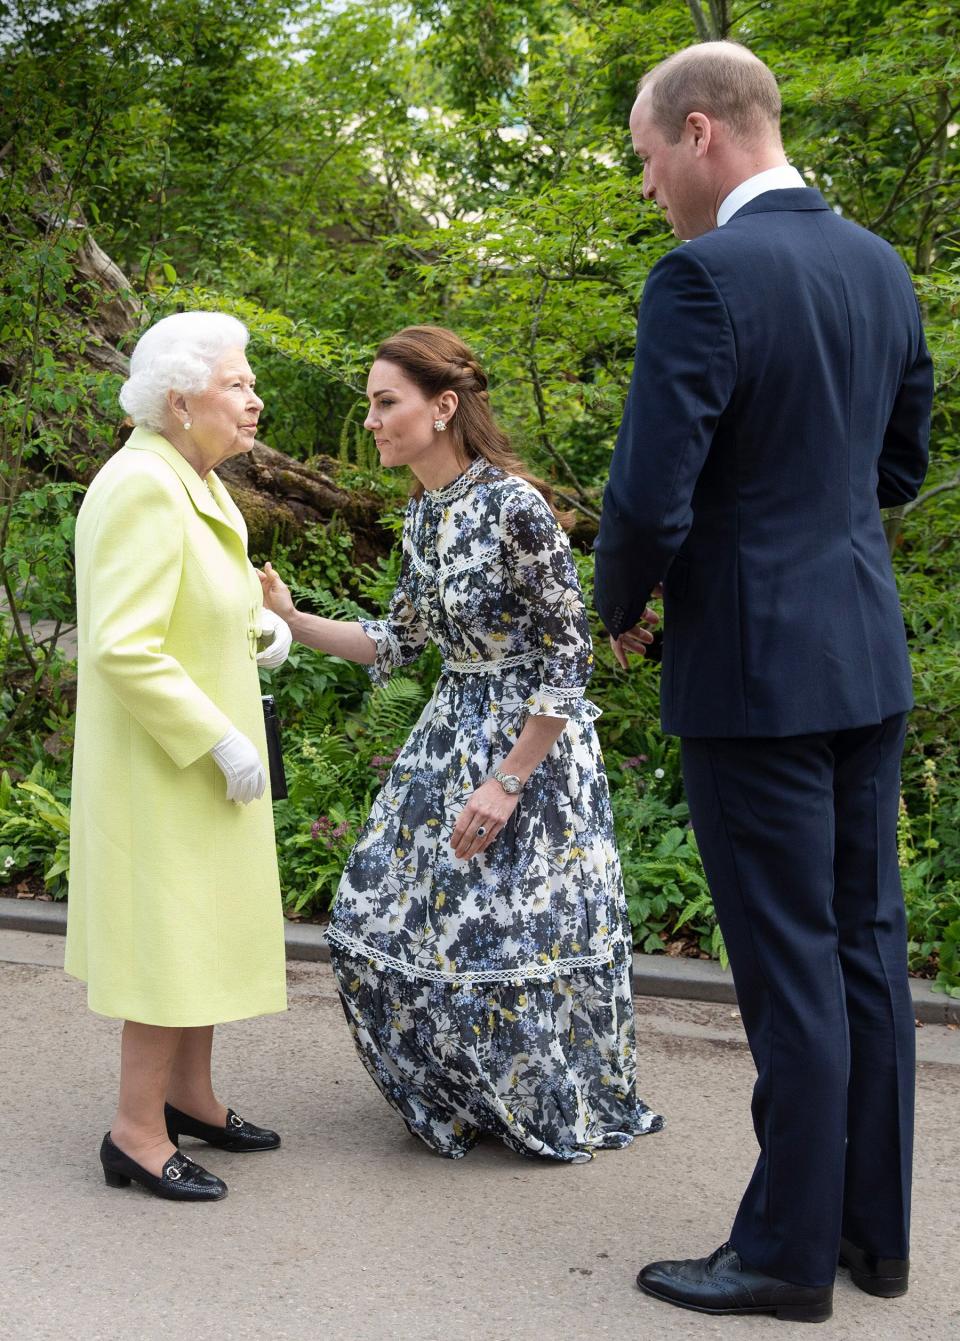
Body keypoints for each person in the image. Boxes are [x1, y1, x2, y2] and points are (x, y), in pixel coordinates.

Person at [594, 41, 933, 1323]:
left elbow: (647, 493)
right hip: (864, 653)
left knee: (790, 965)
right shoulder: (879, 266)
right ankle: (872, 1239)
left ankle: (785, 1257)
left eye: (643, 161)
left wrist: (619, 608)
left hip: (753, 670)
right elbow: (897, 466)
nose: (646, 191)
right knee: (863, 954)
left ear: (699, 133)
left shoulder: (702, 277)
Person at [259, 324, 663, 1162]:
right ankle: (460, 1094)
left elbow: (569, 655)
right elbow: (395, 641)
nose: (370, 420)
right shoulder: (422, 515)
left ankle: (542, 1102)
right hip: (449, 730)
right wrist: (293, 622)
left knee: (510, 939)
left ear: (443, 407)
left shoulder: (514, 506)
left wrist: (509, 780)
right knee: (370, 915)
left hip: (531, 749)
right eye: (369, 404)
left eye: (384, 402)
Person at [65, 311, 293, 1201]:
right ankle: (135, 1129)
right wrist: (220, 739)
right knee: (166, 941)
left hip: (200, 766)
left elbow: (197, 600)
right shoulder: (141, 485)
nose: (254, 399)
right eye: (237, 384)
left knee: (201, 930)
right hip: (164, 768)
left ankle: (190, 1096)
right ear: (178, 398)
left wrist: (260, 625)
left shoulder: (192, 476)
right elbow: (122, 644)